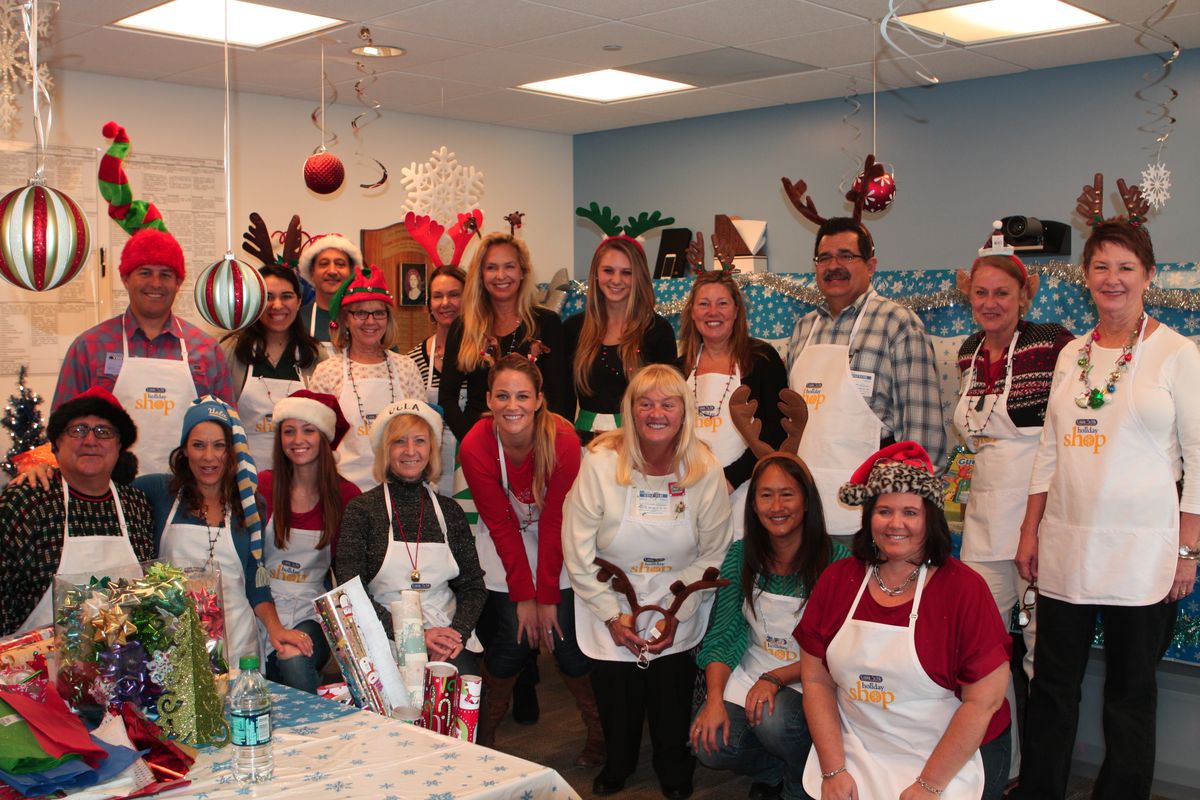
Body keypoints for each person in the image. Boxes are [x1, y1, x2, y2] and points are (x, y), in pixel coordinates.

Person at [1012, 218, 1200, 800]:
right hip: (1068, 550)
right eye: (1101, 267)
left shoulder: (1177, 354)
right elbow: (1048, 449)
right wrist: (1030, 531)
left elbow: (1198, 459)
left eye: (1125, 267)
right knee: (1052, 688)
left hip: (1143, 554)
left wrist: (1188, 550)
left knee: (1129, 693)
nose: (1112, 279)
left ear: (1147, 275)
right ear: (1085, 276)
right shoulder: (1071, 354)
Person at [797, 441, 1011, 800]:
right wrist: (834, 769)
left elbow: (984, 701)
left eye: (910, 512)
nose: (896, 524)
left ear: (931, 517)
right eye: (884, 511)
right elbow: (816, 679)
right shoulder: (837, 580)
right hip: (859, 747)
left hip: (948, 754)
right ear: (868, 517)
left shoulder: (964, 588)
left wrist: (929, 785)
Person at [563, 364, 733, 798]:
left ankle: (672, 765)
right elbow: (577, 550)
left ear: (684, 411)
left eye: (668, 403)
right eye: (646, 403)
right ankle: (619, 762)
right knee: (616, 697)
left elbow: (714, 551)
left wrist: (677, 612)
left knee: (670, 695)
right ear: (631, 410)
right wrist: (610, 614)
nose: (656, 413)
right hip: (609, 594)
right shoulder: (600, 464)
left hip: (678, 596)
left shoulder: (706, 469)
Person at [459, 354, 602, 766]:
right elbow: (502, 526)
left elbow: (557, 521)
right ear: (488, 399)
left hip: (561, 539)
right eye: (502, 396)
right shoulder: (475, 444)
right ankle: (480, 734)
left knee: (567, 645)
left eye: (522, 395)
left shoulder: (563, 440)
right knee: (512, 643)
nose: (512, 405)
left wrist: (547, 597)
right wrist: (525, 596)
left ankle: (598, 732)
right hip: (506, 545)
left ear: (540, 399)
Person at [691, 454, 847, 800]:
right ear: (753, 504)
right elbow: (724, 632)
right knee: (709, 742)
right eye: (765, 495)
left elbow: (835, 650)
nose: (776, 506)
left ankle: (798, 783)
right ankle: (775, 768)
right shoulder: (741, 554)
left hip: (811, 680)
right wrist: (714, 699)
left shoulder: (836, 561)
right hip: (754, 672)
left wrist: (775, 678)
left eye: (787, 494)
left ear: (807, 501)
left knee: (773, 720)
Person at [786, 218, 946, 542]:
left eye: (846, 256)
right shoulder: (803, 330)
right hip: (806, 512)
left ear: (870, 265)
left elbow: (922, 432)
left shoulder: (897, 323)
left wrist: (910, 514)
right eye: (824, 258)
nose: (834, 266)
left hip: (873, 515)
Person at [135, 397, 312, 665]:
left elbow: (256, 579)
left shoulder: (250, 503)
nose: (209, 456)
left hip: (237, 643)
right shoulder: (159, 492)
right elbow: (100, 484)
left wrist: (276, 629)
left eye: (219, 446)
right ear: (184, 451)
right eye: (198, 445)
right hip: (172, 647)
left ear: (232, 452)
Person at [53, 228, 234, 470]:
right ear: (126, 278)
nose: (155, 284)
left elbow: (229, 429)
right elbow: (59, 429)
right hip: (109, 492)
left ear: (179, 282)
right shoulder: (89, 347)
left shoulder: (206, 350)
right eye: (145, 273)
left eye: (166, 274)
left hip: (188, 493)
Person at [335, 400, 485, 672]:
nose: (411, 451)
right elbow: (350, 591)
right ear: (385, 450)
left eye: (420, 441)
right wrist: (415, 636)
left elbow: (474, 585)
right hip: (384, 636)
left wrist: (456, 634)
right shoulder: (362, 510)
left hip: (446, 636)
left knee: (458, 698)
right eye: (399, 442)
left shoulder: (450, 512)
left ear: (432, 449)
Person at [0, 388, 155, 636]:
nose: (90, 440)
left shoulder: (136, 506)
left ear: (119, 447)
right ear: (57, 444)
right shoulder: (26, 502)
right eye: (78, 430)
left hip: (122, 664)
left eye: (103, 432)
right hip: (35, 667)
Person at [257, 390, 360, 692]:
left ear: (324, 437)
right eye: (289, 431)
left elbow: (348, 573)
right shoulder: (263, 485)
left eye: (308, 430)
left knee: (291, 656)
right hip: (262, 606)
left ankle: (314, 730)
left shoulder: (346, 495)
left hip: (310, 611)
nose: (297, 439)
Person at [680, 269, 787, 538]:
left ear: (737, 311)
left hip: (745, 490)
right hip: (689, 491)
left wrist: (729, 479)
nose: (712, 312)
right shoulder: (678, 367)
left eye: (722, 303)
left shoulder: (762, 360)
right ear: (692, 312)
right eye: (704, 304)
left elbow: (775, 432)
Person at [439, 232, 566, 441]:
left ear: (523, 271)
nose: (500, 275)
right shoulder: (463, 327)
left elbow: (559, 398)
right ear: (480, 274)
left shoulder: (547, 323)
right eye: (491, 267)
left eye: (509, 266)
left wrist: (543, 442)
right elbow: (447, 398)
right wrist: (473, 441)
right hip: (478, 444)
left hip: (534, 445)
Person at [307, 264, 423, 491]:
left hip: (400, 490)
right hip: (344, 491)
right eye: (360, 313)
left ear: (388, 318)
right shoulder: (327, 371)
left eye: (379, 313)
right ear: (346, 319)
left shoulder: (406, 368)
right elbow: (317, 439)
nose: (371, 322)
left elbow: (422, 434)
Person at [563, 236, 677, 445]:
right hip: (583, 445)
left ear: (639, 278)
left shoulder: (657, 331)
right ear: (596, 274)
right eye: (608, 270)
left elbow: (670, 401)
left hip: (639, 444)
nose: (616, 280)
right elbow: (563, 401)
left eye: (626, 273)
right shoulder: (574, 329)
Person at [221, 264, 325, 470]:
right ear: (255, 302)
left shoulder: (315, 354)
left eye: (286, 296)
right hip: (242, 477)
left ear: (299, 301)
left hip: (301, 476)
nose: (277, 305)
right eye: (268, 297)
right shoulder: (231, 350)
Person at [407, 264, 467, 494]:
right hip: (428, 466)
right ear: (428, 305)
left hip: (471, 462)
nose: (445, 303)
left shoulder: (481, 356)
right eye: (437, 296)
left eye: (454, 295)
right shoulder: (412, 360)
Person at [297, 233, 361, 355]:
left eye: (340, 264)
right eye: (324, 264)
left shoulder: (367, 320)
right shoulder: (296, 320)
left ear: (352, 272)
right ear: (311, 272)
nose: (332, 271)